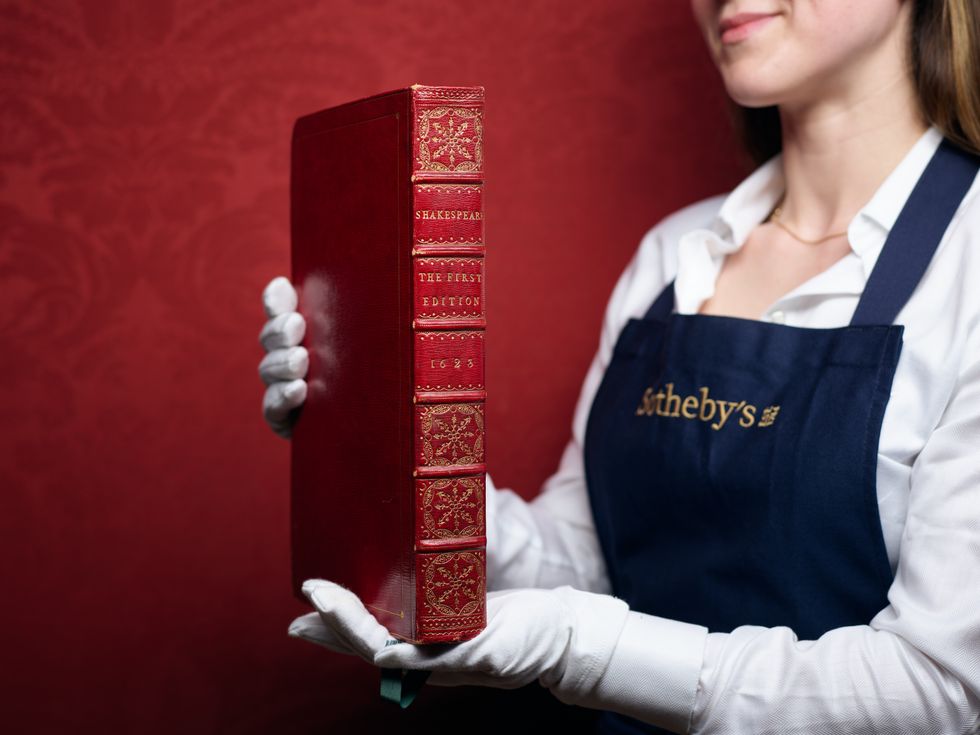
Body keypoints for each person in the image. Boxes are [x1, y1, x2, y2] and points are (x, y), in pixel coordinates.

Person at [257, 1, 980, 732]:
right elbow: (586, 563)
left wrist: (576, 644)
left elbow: (941, 689)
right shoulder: (673, 255)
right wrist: (381, 447)